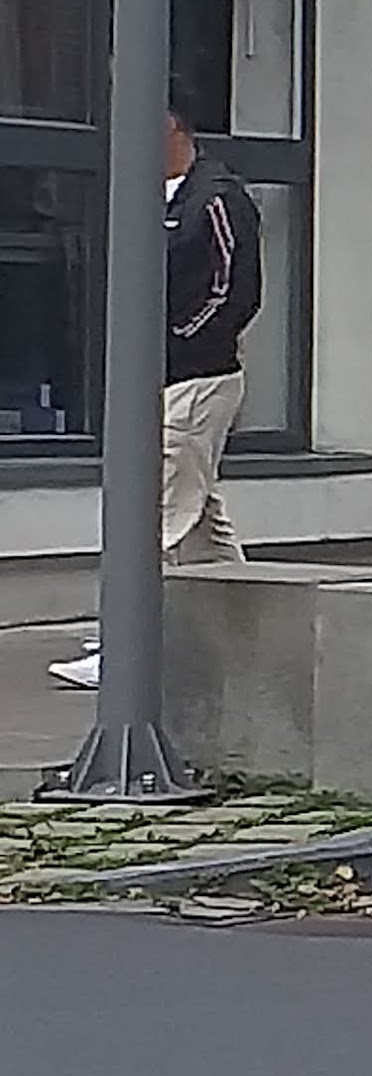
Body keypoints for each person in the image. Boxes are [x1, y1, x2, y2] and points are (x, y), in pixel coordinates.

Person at [51, 109, 258, 689]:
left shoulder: (215, 199)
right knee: (197, 517)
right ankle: (248, 632)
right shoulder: (156, 197)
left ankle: (128, 652)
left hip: (195, 377)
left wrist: (176, 342)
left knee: (155, 515)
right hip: (162, 378)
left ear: (171, 128)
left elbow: (234, 290)